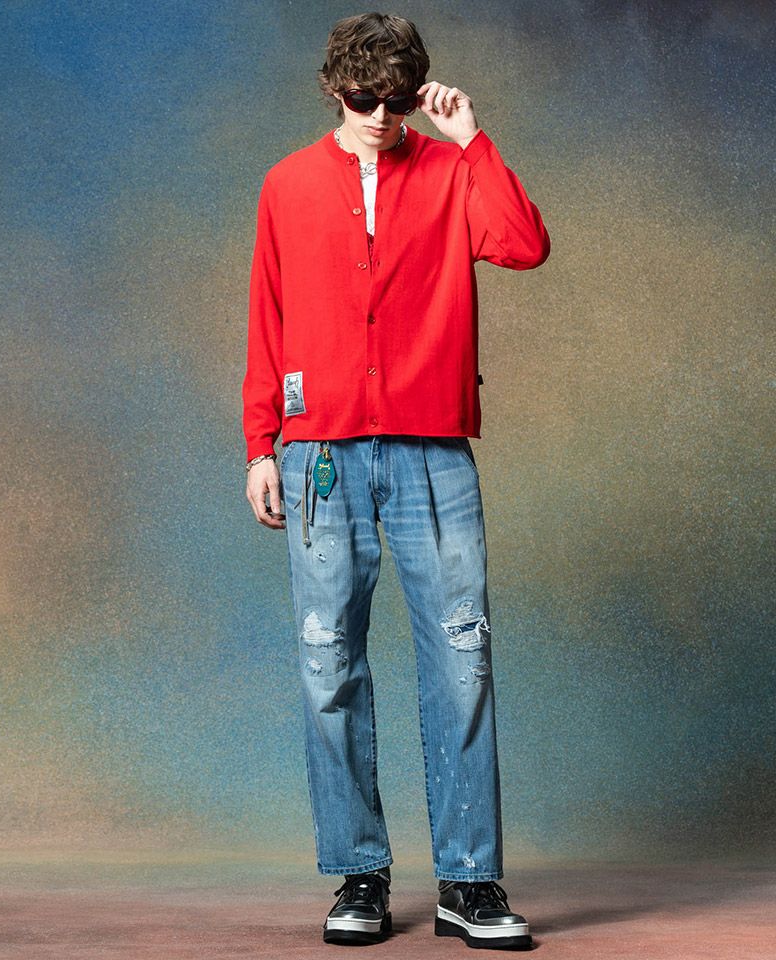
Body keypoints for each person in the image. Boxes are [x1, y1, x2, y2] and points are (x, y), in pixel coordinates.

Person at [243, 11, 549, 950]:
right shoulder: (288, 184)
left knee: (462, 659)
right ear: (332, 89)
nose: (380, 115)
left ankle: (469, 881)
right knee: (327, 660)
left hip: (432, 451)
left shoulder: (452, 172)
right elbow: (267, 314)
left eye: (397, 99)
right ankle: (360, 873)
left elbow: (523, 245)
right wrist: (260, 444)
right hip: (320, 456)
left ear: (416, 94)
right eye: (362, 97)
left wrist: (472, 139)